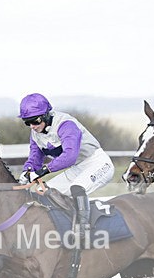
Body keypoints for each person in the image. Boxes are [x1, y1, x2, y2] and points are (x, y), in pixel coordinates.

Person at [16, 93, 115, 242]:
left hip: (97, 163)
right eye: (27, 123)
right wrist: (27, 171)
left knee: (77, 188)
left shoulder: (66, 124)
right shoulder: (35, 133)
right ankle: (61, 226)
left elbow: (70, 156)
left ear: (46, 115)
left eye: (35, 121)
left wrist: (43, 171)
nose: (32, 126)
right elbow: (35, 157)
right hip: (77, 168)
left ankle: (83, 232)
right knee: (43, 193)